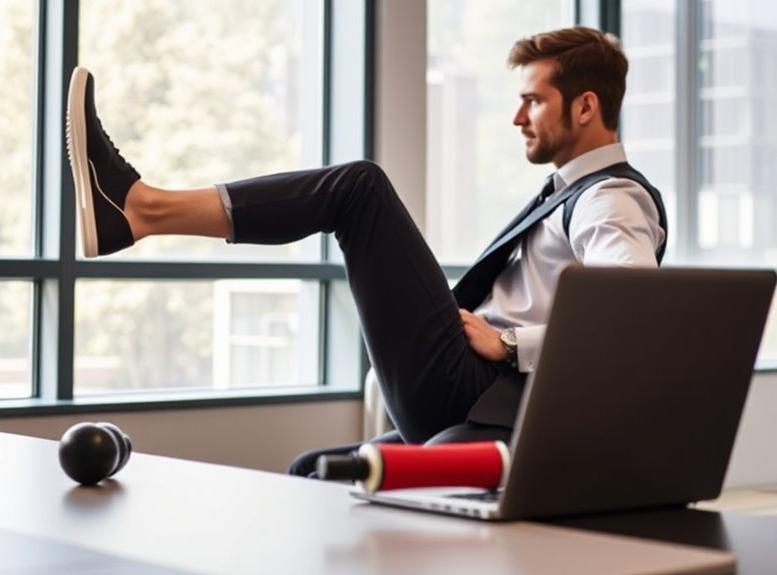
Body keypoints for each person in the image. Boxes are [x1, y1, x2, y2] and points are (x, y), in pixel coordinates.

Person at [65, 25, 667, 478]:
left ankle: (144, 209)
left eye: (533, 100)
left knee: (358, 189)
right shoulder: (567, 194)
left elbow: (635, 317)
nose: (517, 117)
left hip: (486, 391)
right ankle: (138, 212)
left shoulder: (610, 198)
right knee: (313, 472)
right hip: (472, 396)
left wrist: (510, 342)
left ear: (586, 106)